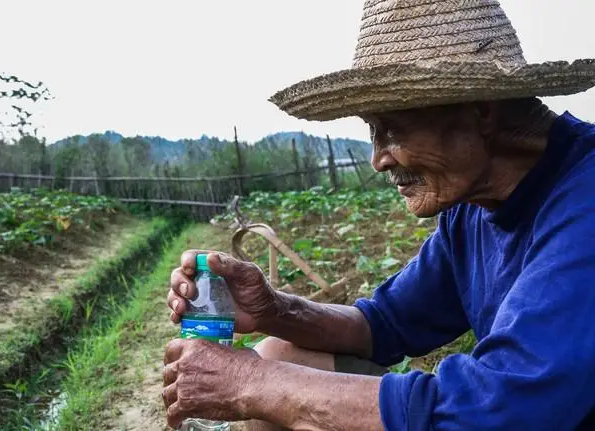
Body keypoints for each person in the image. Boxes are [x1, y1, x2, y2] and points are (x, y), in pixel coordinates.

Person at [162, 1, 595, 430]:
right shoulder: (473, 210)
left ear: (480, 108)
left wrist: (249, 383)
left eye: (390, 128)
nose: (377, 159)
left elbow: (504, 410)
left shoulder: (584, 200)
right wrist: (273, 310)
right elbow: (384, 324)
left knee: (272, 379)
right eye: (372, 131)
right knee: (280, 354)